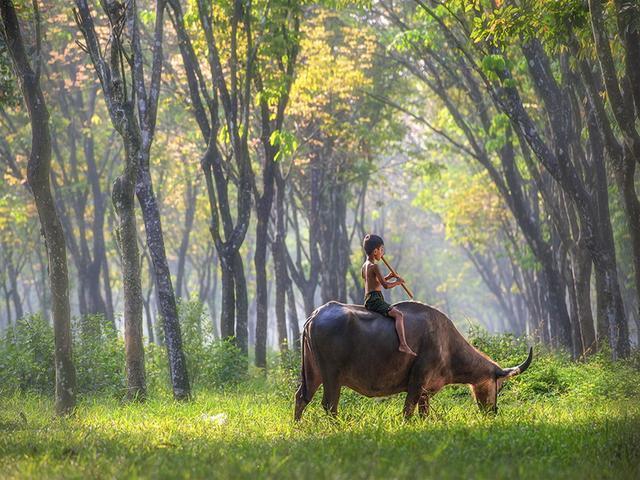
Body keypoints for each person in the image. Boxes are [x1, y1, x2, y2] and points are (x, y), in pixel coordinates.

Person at [361, 234, 417, 356]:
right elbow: (385, 286)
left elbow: (374, 283)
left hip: (369, 297)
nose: (382, 253)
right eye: (381, 250)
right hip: (375, 299)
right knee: (399, 315)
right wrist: (398, 282)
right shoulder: (374, 266)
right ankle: (403, 344)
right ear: (375, 251)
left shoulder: (365, 266)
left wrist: (389, 276)